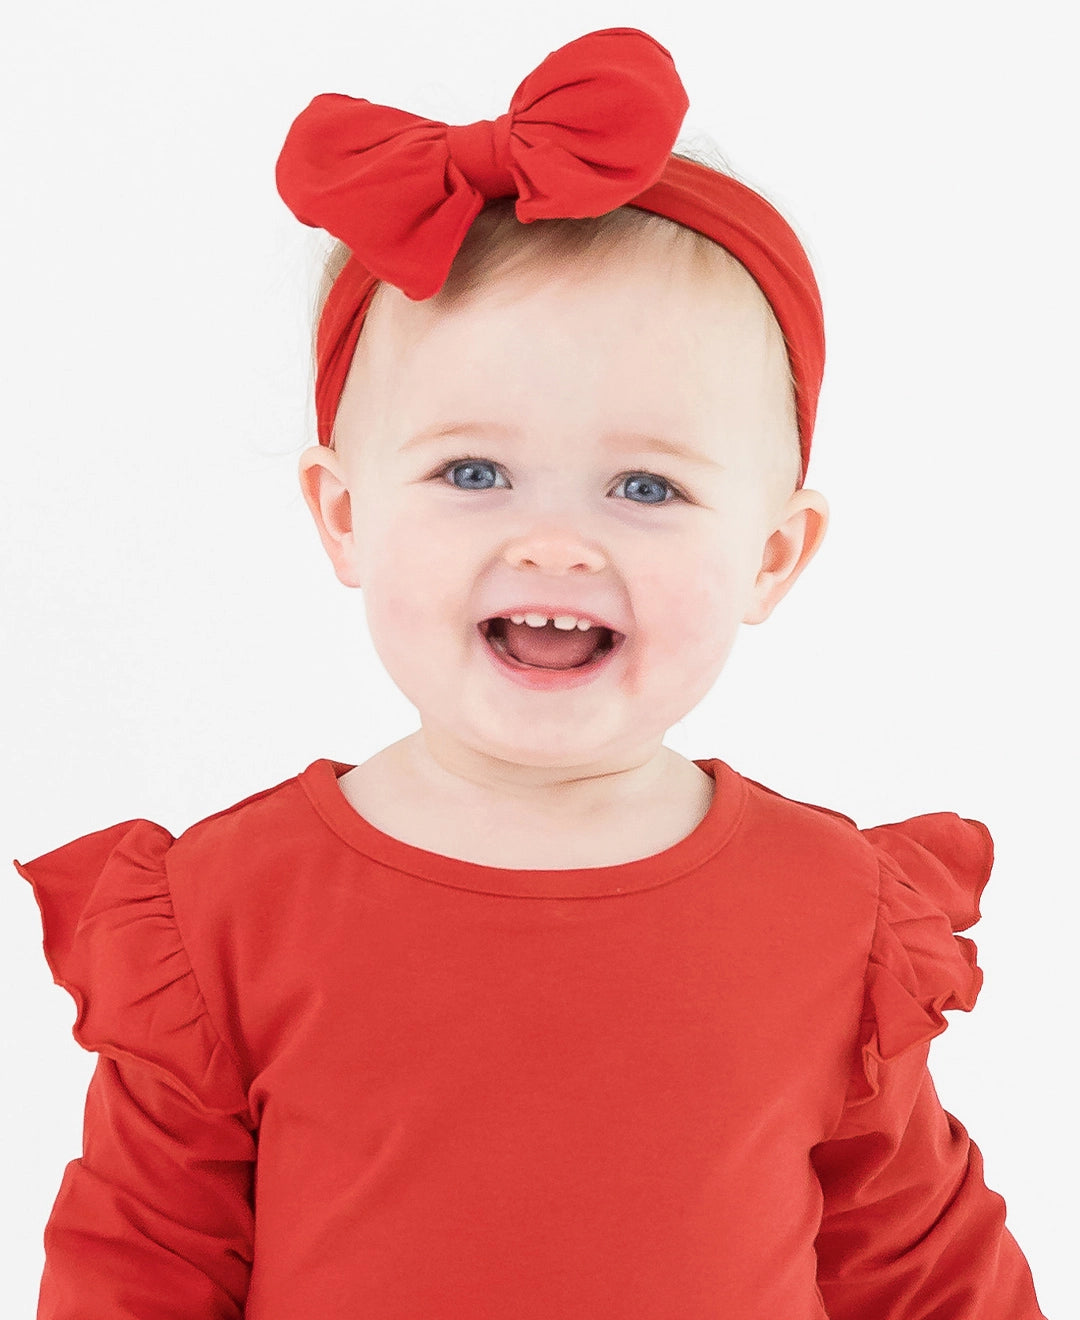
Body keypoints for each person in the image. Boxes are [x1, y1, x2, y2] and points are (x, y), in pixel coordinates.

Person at [12, 26, 1048, 1320]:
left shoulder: (837, 915)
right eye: (473, 472)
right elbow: (139, 1272)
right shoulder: (220, 914)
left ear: (774, 556)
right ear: (344, 515)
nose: (554, 541)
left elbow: (923, 1270)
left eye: (646, 485)